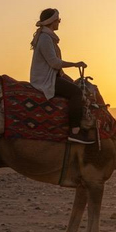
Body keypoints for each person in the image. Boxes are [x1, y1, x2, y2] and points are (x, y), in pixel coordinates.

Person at [30, 8, 95, 144]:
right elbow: (54, 63)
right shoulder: (45, 39)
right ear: (52, 21)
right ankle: (75, 131)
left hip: (52, 76)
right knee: (76, 92)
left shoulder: (48, 38)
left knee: (75, 85)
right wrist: (74, 64)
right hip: (45, 80)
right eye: (58, 20)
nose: (59, 22)